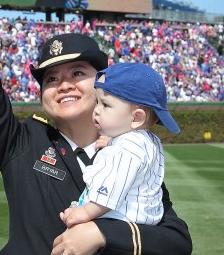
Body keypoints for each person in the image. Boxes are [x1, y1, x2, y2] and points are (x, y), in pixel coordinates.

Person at [0, 0, 192, 254]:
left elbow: (177, 241)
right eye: (51, 79)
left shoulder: (131, 151)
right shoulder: (21, 144)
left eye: (78, 73)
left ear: (102, 83)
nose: (64, 84)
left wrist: (102, 233)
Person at [60, 63, 180, 229]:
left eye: (106, 105)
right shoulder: (145, 141)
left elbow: (112, 188)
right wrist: (111, 143)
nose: (96, 110)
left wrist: (85, 212)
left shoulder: (127, 149)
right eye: (97, 102)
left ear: (137, 118)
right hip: (139, 221)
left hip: (119, 220)